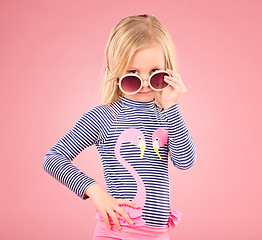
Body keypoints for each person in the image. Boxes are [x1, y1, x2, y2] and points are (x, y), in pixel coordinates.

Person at [43, 14, 196, 240]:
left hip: (158, 234)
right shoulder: (104, 117)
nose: (145, 82)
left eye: (155, 72)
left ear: (169, 70)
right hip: (117, 233)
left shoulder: (167, 115)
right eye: (132, 73)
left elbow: (185, 162)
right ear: (115, 72)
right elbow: (53, 158)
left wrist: (171, 107)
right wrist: (94, 191)